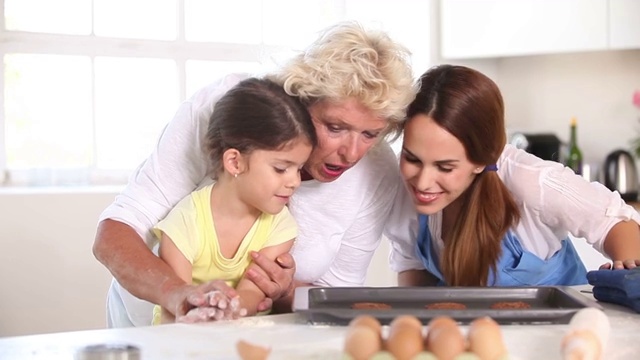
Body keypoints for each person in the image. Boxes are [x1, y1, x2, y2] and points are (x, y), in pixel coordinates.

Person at [93, 21, 419, 327]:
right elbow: (113, 236)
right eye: (335, 127)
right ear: (301, 100)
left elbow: (334, 296)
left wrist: (283, 291)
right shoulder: (233, 110)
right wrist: (178, 294)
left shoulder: (376, 172)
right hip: (146, 329)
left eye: (370, 134)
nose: (352, 153)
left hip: (248, 338)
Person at [389, 64, 640, 287]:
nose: (422, 182)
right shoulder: (404, 190)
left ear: (482, 159)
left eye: (445, 167)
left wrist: (628, 273)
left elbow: (614, 222)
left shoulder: (529, 181)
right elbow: (413, 268)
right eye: (412, 158)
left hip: (565, 332)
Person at [151, 78, 317, 324]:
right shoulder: (185, 222)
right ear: (235, 162)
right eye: (281, 168)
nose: (294, 181)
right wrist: (200, 312)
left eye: (299, 168)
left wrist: (227, 309)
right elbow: (172, 307)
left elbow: (251, 293)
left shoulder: (281, 225)